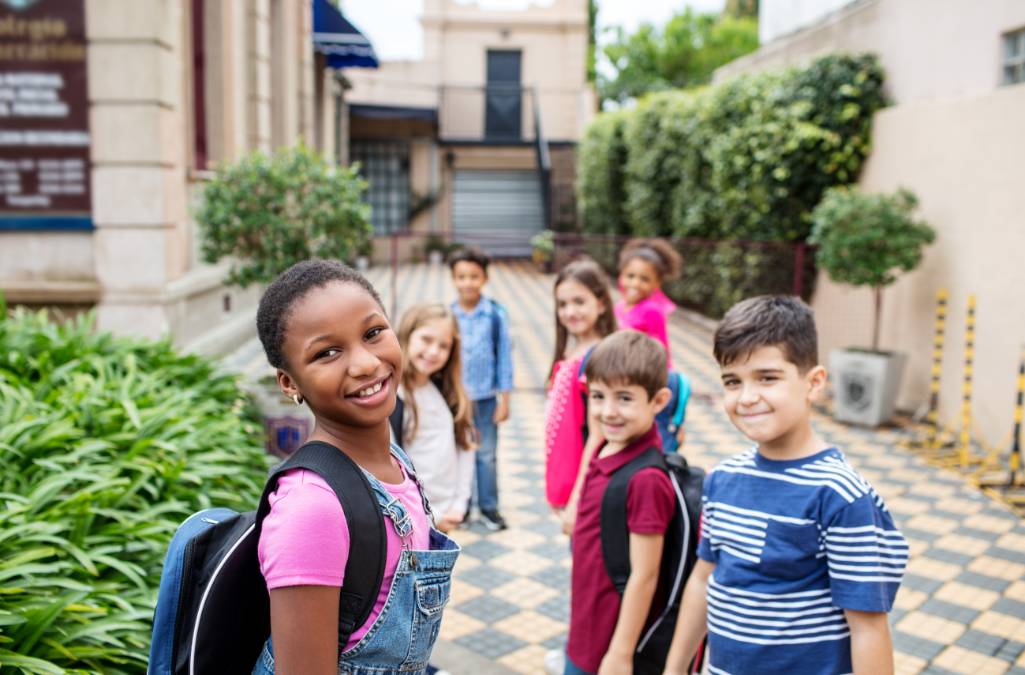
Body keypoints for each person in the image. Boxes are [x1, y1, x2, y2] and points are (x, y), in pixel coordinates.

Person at [663, 295, 907, 675]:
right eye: (732, 381)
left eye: (767, 378)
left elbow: (868, 629)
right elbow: (702, 578)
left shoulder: (841, 496)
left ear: (814, 383)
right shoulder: (722, 479)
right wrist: (675, 668)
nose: (747, 397)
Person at [253, 260, 459, 675]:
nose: (365, 364)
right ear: (289, 383)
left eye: (373, 333)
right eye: (327, 352)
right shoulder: (311, 510)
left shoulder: (395, 461)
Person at [565, 331, 677, 675]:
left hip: (610, 648)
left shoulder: (645, 480)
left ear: (658, 401)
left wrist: (620, 653)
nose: (608, 412)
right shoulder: (610, 445)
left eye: (625, 398)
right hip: (585, 629)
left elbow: (645, 575)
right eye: (598, 396)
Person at [394, 303, 476, 533]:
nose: (433, 352)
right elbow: (386, 471)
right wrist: (432, 517)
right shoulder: (392, 398)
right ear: (407, 335)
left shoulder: (447, 392)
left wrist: (458, 505)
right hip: (408, 522)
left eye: (443, 346)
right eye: (426, 340)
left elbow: (466, 447)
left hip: (445, 516)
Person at [448, 247, 513, 531]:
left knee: (486, 454)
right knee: (459, 454)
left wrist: (505, 399)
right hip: (457, 400)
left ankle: (488, 508)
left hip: (486, 399)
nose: (468, 282)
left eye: (474, 276)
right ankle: (461, 507)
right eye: (462, 276)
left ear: (484, 278)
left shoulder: (494, 315)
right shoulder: (448, 315)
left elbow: (505, 358)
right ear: (453, 279)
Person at [545, 259, 618, 511]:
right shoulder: (573, 351)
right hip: (573, 474)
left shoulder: (600, 357)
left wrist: (577, 497)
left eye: (579, 301)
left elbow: (597, 434)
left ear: (600, 304)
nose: (569, 311)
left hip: (589, 483)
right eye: (562, 304)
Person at [615, 239, 683, 366]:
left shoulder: (652, 311)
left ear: (657, 283)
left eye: (644, 279)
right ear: (621, 274)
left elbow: (661, 351)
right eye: (630, 276)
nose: (635, 283)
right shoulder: (619, 306)